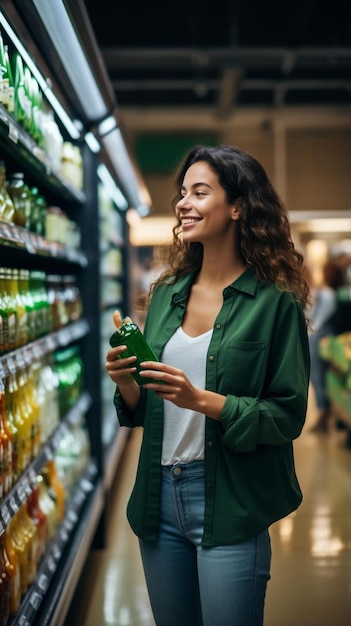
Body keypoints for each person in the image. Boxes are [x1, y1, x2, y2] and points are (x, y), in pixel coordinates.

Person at [105, 145, 311, 626]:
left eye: (200, 192)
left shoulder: (274, 303)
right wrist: (127, 383)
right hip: (158, 497)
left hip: (229, 499)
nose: (183, 203)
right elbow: (143, 409)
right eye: (182, 193)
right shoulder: (165, 296)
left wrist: (202, 401)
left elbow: (287, 415)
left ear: (237, 206)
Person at [308, 257, 345, 433]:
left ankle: (325, 413)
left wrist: (312, 331)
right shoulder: (328, 293)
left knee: (318, 376)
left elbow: (320, 319)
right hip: (326, 339)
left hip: (321, 339)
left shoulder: (328, 294)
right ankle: (327, 413)